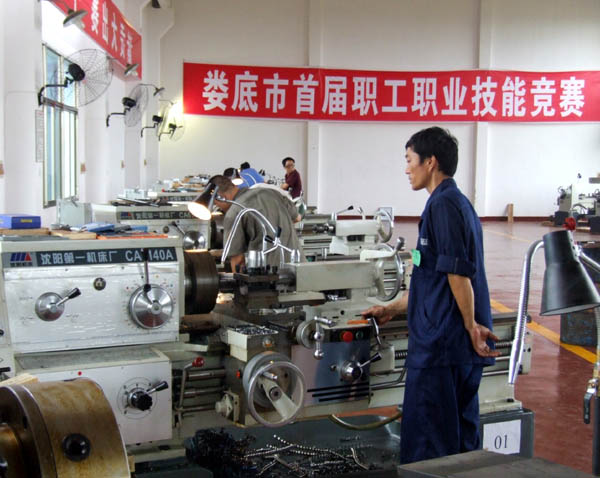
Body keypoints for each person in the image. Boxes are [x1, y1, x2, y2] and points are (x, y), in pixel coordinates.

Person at [362, 127, 499, 464]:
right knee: (460, 445)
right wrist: (394, 308)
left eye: (410, 160)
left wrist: (471, 325)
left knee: (430, 448)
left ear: (431, 162)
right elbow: (432, 278)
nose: (406, 169)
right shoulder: (453, 203)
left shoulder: (443, 206)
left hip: (442, 348)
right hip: (449, 346)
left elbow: (457, 274)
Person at [208, 175, 302, 271]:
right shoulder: (271, 192)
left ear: (222, 198)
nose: (219, 208)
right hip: (301, 268)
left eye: (216, 204)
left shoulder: (234, 213)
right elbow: (297, 218)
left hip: (271, 274)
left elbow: (238, 261)